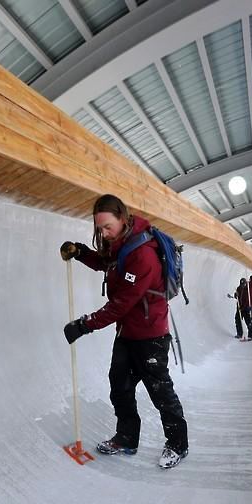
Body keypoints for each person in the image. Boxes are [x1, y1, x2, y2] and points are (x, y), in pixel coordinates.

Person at [60, 194, 188, 469]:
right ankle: (127, 438)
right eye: (99, 229)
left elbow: (121, 304)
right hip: (127, 334)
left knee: (160, 392)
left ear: (122, 217)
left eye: (108, 226)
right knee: (120, 388)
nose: (104, 234)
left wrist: (84, 325)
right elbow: (106, 262)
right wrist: (81, 252)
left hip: (150, 334)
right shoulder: (120, 243)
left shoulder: (143, 254)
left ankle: (178, 444)